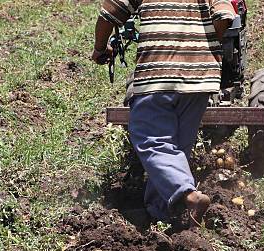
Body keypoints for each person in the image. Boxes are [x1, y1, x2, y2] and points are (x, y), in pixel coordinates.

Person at [91, 0, 236, 224]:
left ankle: (189, 195)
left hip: (158, 73)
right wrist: (202, 45)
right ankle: (161, 211)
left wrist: (100, 48)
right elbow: (225, 17)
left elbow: (108, 15)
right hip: (200, 79)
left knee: (151, 139)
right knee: (176, 147)